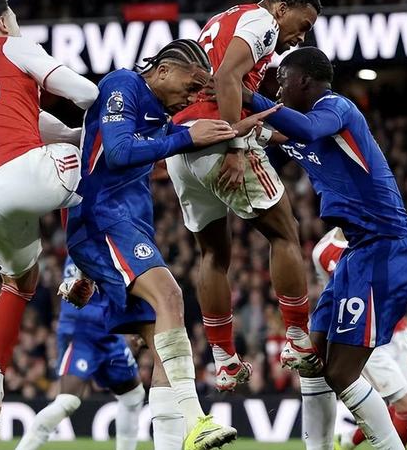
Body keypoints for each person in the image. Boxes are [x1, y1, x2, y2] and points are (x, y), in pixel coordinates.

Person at [63, 39, 275, 450]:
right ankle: (197, 420)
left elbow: (174, 136)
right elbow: (119, 152)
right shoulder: (123, 84)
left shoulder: (160, 113)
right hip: (102, 219)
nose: (194, 96)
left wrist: (234, 129)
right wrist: (187, 137)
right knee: (171, 296)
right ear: (162, 70)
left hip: (130, 225)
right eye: (192, 85)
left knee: (164, 343)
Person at [244, 47, 407, 450]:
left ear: (304, 80)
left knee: (342, 373)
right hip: (357, 252)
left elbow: (307, 130)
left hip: (386, 248)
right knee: (312, 363)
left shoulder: (336, 108)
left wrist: (247, 96)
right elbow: (272, 137)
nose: (278, 89)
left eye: (282, 80)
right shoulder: (297, 127)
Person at [166, 0, 323, 390]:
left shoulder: (225, 19)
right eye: (303, 24)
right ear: (281, 8)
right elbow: (226, 78)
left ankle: (224, 360)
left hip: (182, 143)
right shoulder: (262, 22)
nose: (301, 37)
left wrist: (264, 132)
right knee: (285, 232)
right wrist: (235, 144)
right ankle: (298, 339)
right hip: (218, 138)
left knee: (213, 253)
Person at [0, 0, 99, 436]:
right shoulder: (12, 46)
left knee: (20, 282)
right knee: (90, 160)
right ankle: (81, 269)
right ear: (3, 20)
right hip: (20, 174)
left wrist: (70, 133)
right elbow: (86, 92)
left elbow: (39, 122)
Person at [16, 257, 145, 450]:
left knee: (133, 396)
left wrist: (135, 323)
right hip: (81, 332)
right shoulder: (84, 246)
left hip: (110, 333)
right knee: (68, 401)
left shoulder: (111, 246)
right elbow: (73, 294)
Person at [312, 228, 407, 450]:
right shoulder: (322, 252)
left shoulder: (383, 231)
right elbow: (330, 297)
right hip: (367, 338)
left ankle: (347, 441)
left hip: (398, 332)